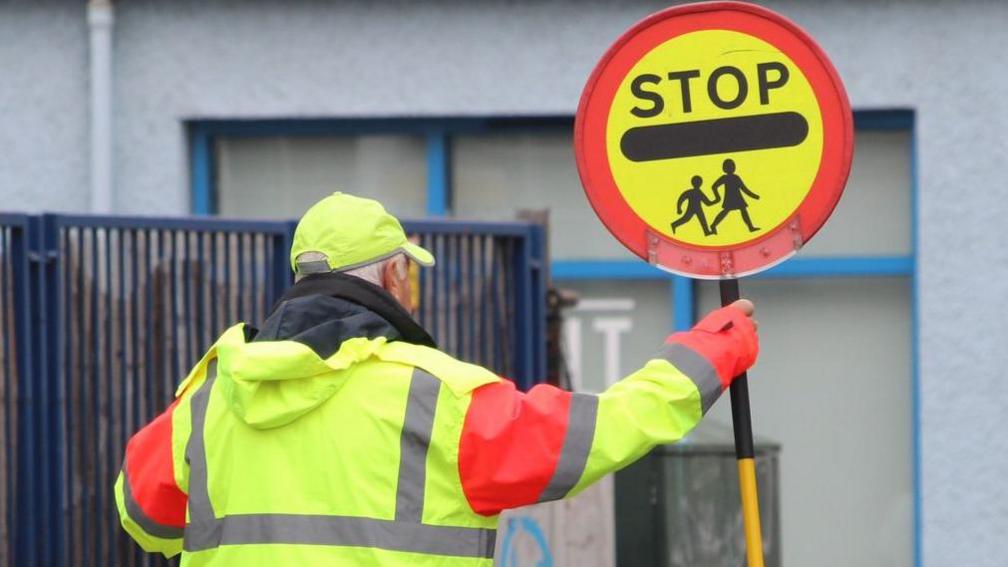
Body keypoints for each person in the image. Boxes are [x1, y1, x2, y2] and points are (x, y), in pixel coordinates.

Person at [114, 192, 759, 566]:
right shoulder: (433, 397)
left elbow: (142, 517)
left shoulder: (209, 399)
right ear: (394, 276)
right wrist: (706, 357)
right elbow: (596, 434)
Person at [710, 158, 761, 234]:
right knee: (726, 211)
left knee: (743, 210)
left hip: (738, 197)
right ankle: (713, 225)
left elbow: (744, 188)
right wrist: (717, 197)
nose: (732, 168)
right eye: (729, 166)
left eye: (733, 166)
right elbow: (714, 186)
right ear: (725, 168)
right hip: (730, 198)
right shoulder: (725, 178)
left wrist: (754, 196)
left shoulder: (736, 177)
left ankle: (750, 227)